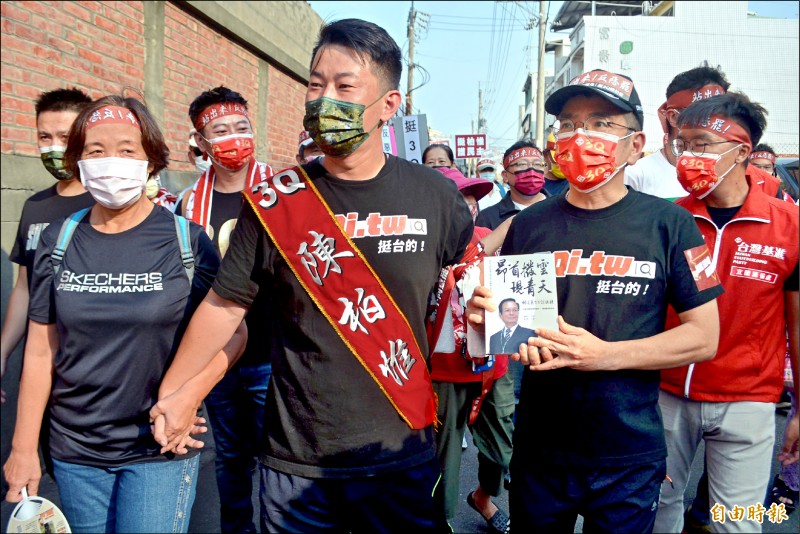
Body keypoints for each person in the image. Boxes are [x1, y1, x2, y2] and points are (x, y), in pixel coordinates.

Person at [149, 18, 472, 532]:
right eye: (316, 85)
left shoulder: (437, 197)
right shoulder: (277, 200)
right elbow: (224, 305)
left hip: (401, 445)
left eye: (345, 87)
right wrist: (172, 395)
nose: (325, 100)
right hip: (298, 459)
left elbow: (466, 287)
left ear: (390, 105)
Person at [466, 69, 723, 532]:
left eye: (602, 122)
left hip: (629, 451)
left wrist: (603, 356)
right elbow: (510, 324)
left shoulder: (671, 225)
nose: (581, 135)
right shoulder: (527, 226)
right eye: (568, 122)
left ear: (637, 143)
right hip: (542, 448)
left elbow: (703, 338)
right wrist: (486, 317)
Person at [2, 95, 240, 533]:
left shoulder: (185, 242)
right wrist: (21, 449)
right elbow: (40, 352)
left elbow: (234, 332)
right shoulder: (58, 239)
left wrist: (190, 397)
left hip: (159, 446)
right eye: (95, 151)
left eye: (127, 149)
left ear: (151, 160)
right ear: (78, 161)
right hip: (75, 451)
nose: (111, 162)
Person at [654, 92, 799, 534]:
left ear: (741, 151)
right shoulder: (668, 220)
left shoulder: (789, 227)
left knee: (737, 525)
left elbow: (797, 323)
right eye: (683, 145)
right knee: (657, 510)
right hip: (666, 393)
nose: (688, 157)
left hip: (748, 400)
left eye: (701, 144)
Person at [176, 85, 274, 534]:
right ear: (200, 141)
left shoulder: (284, 190)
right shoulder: (186, 205)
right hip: (216, 358)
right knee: (231, 458)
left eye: (242, 127)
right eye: (220, 130)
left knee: (280, 458)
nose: (234, 137)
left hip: (274, 353)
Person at [427, 165, 513, 533]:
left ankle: (483, 496)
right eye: (457, 198)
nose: (468, 206)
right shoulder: (420, 246)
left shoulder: (489, 239)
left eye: (472, 198)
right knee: (444, 458)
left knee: (502, 448)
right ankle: (440, 521)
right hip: (443, 372)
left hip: (494, 366)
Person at [0, 88, 93, 405]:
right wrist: (2, 353)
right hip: (40, 364)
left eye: (64, 136)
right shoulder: (35, 206)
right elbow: (25, 288)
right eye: (44, 137)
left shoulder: (109, 204)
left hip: (95, 367)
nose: (54, 147)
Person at [625, 63, 730, 201]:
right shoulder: (636, 176)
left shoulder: (729, 174)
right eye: (704, 114)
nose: (715, 123)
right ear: (673, 117)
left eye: (720, 114)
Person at [475, 140, 548, 230]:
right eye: (522, 164)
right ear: (505, 176)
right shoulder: (487, 218)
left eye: (537, 164)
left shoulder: (562, 208)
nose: (531, 170)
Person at [542, 131, 569, 197]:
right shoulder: (535, 184)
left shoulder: (578, 184)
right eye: (556, 157)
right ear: (546, 156)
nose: (562, 162)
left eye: (566, 157)